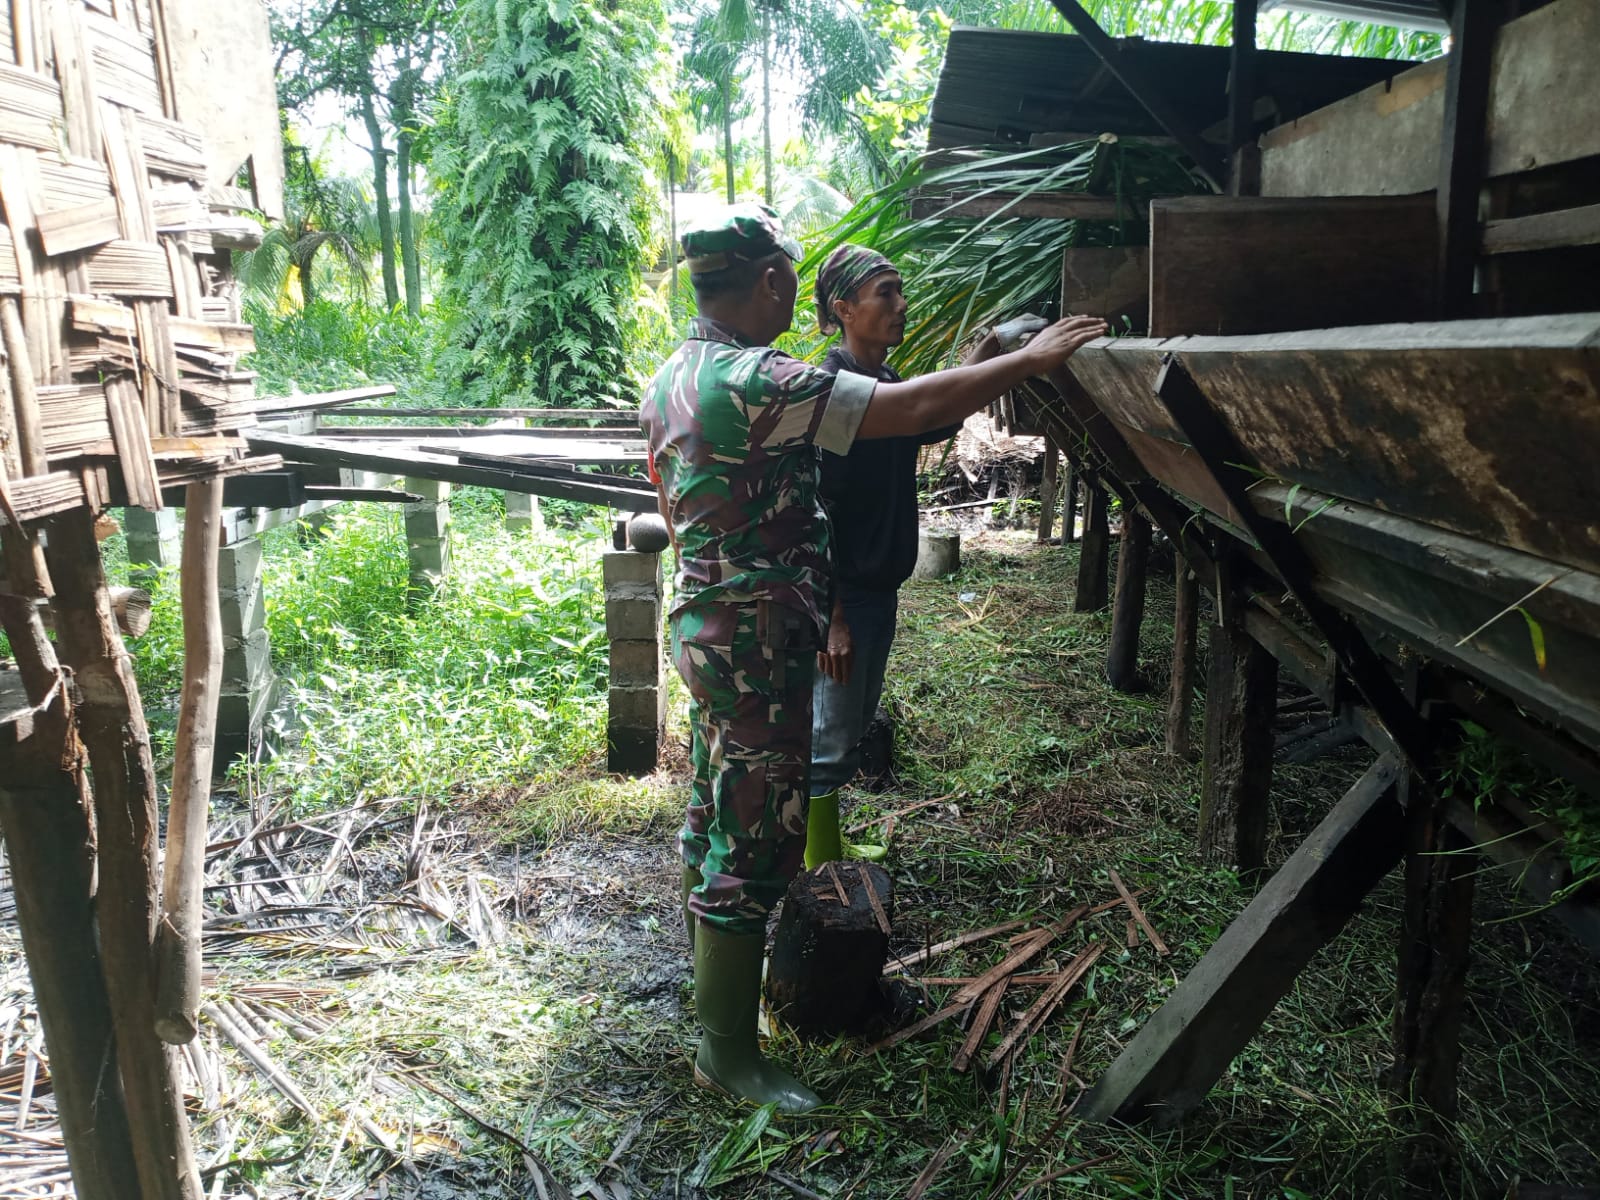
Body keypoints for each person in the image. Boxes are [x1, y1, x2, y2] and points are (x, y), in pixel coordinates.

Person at [639, 203, 1105, 1114]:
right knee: (755, 837)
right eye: (790, 275)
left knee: (714, 813)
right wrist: (1030, 359)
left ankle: (718, 1010)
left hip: (706, 627)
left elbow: (680, 498)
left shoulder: (676, 373)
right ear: (771, 279)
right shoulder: (760, 377)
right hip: (758, 640)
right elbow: (912, 408)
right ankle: (726, 1053)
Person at [802, 245, 1043, 866]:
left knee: (852, 723)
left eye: (899, 290)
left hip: (876, 589)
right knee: (829, 736)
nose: (901, 305)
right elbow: (814, 511)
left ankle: (826, 844)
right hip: (845, 595)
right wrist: (831, 617)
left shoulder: (883, 383)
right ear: (844, 309)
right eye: (885, 293)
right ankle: (817, 864)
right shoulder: (835, 390)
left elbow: (933, 414)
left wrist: (992, 345)